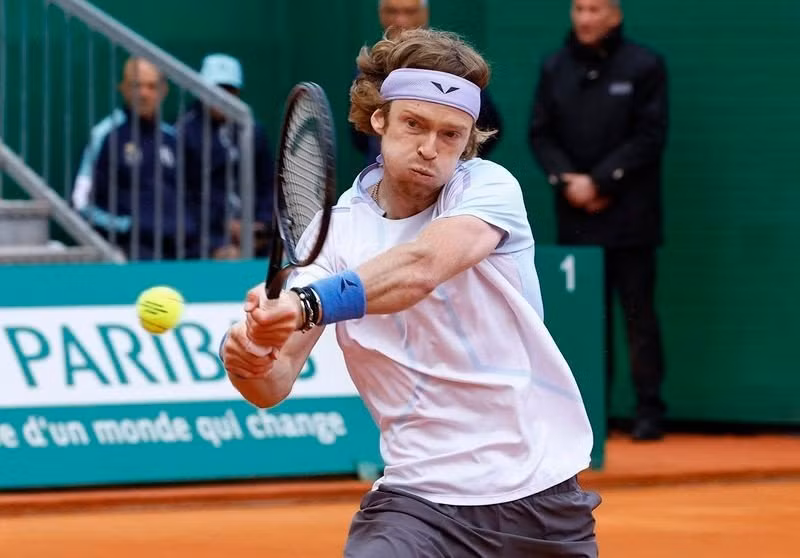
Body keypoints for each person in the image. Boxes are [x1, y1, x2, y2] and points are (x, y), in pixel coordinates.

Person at [221, 28, 600, 557]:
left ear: (468, 140)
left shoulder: (489, 188)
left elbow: (420, 267)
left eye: (450, 134)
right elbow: (273, 384)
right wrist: (248, 354)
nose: (429, 148)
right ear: (380, 119)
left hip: (537, 497)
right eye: (414, 124)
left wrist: (304, 303)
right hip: (418, 504)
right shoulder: (331, 235)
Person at [528, 0, 668, 441]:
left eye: (596, 9)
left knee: (637, 314)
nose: (586, 18)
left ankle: (648, 410)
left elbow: (650, 136)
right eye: (579, 9)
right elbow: (540, 133)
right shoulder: (555, 67)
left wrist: (601, 182)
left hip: (631, 216)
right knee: (584, 319)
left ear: (616, 15)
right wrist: (568, 180)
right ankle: (591, 413)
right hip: (575, 216)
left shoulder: (645, 66)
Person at [351, 0, 503, 165]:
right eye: (392, 11)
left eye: (409, 12)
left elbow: (489, 125)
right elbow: (358, 133)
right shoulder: (368, 68)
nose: (400, 20)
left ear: (425, 14)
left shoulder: (452, 66)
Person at [72, 57, 187, 260]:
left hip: (180, 249)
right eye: (137, 85)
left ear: (163, 91)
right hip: (127, 251)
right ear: (123, 88)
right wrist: (128, 226)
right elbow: (80, 203)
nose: (144, 93)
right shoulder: (104, 134)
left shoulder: (172, 138)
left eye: (151, 86)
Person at [175, 53, 275, 260]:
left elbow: (269, 184)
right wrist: (219, 235)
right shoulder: (184, 132)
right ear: (201, 89)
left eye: (228, 89)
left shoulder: (252, 130)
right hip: (204, 242)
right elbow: (181, 198)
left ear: (237, 91)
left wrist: (260, 227)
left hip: (256, 237)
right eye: (215, 89)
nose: (221, 96)